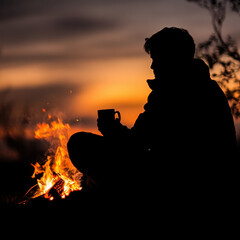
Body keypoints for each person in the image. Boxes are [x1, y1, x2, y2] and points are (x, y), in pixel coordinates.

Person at [67, 27, 237, 203]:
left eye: (156, 58)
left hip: (175, 181)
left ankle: (111, 195)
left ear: (171, 58)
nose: (152, 66)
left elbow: (136, 143)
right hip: (212, 179)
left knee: (79, 143)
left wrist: (112, 130)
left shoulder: (170, 93)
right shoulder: (209, 88)